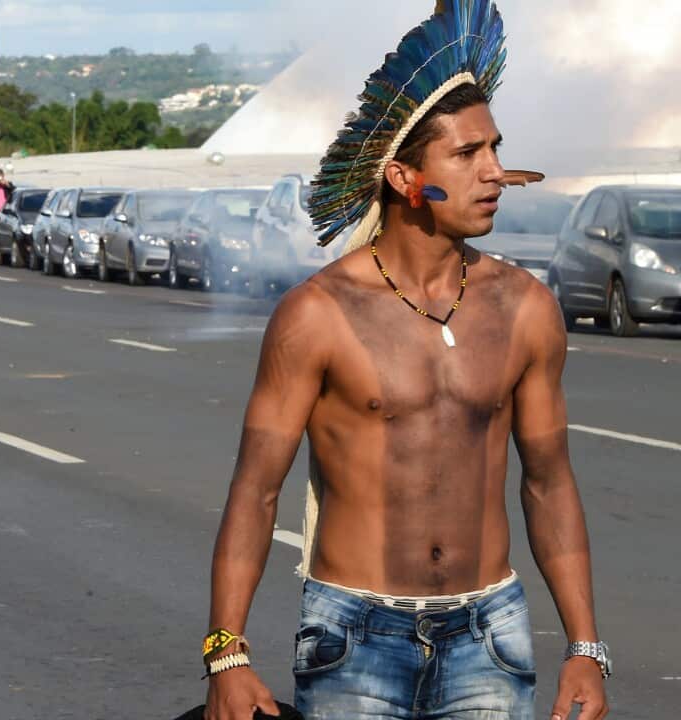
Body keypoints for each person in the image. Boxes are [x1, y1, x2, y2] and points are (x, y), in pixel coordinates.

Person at [204, 4, 609, 720]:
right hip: (354, 636)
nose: (495, 172)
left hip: (491, 634)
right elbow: (255, 491)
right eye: (467, 154)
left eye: (495, 147)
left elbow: (549, 484)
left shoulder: (524, 308)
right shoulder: (318, 314)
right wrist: (226, 653)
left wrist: (585, 647)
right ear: (403, 177)